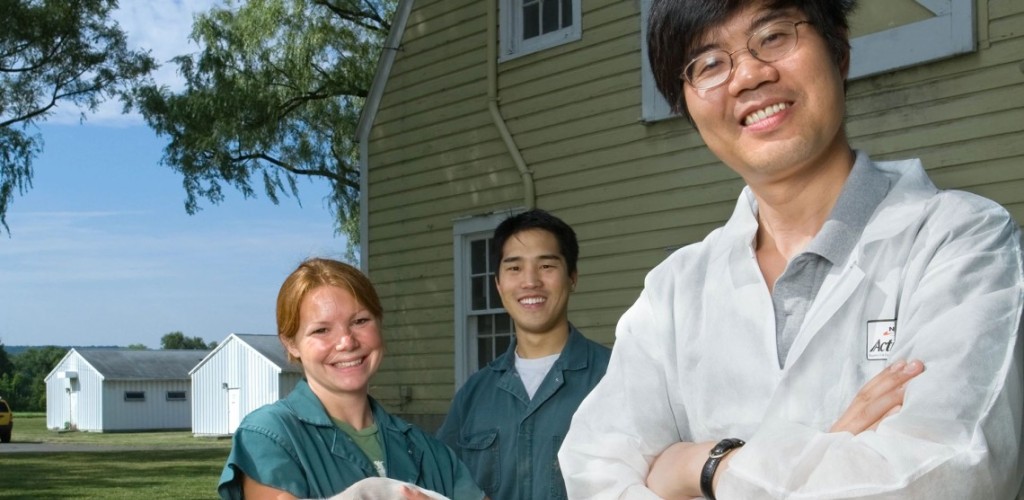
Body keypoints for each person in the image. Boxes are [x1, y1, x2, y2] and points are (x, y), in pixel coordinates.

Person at [558, 0, 1024, 498]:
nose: (748, 76)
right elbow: (595, 475)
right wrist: (832, 453)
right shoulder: (672, 293)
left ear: (839, 49)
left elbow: (949, 474)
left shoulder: (962, 241)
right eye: (709, 64)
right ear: (686, 105)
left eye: (773, 36)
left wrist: (702, 467)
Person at [218, 258, 485, 500]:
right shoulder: (269, 435)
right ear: (291, 344)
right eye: (321, 330)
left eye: (360, 321)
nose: (346, 342)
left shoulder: (429, 451)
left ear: (379, 323)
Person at [437, 209, 612, 499]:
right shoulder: (473, 396)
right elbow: (439, 483)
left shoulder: (614, 378)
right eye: (514, 268)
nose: (530, 282)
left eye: (546, 266)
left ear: (572, 277)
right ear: (498, 284)